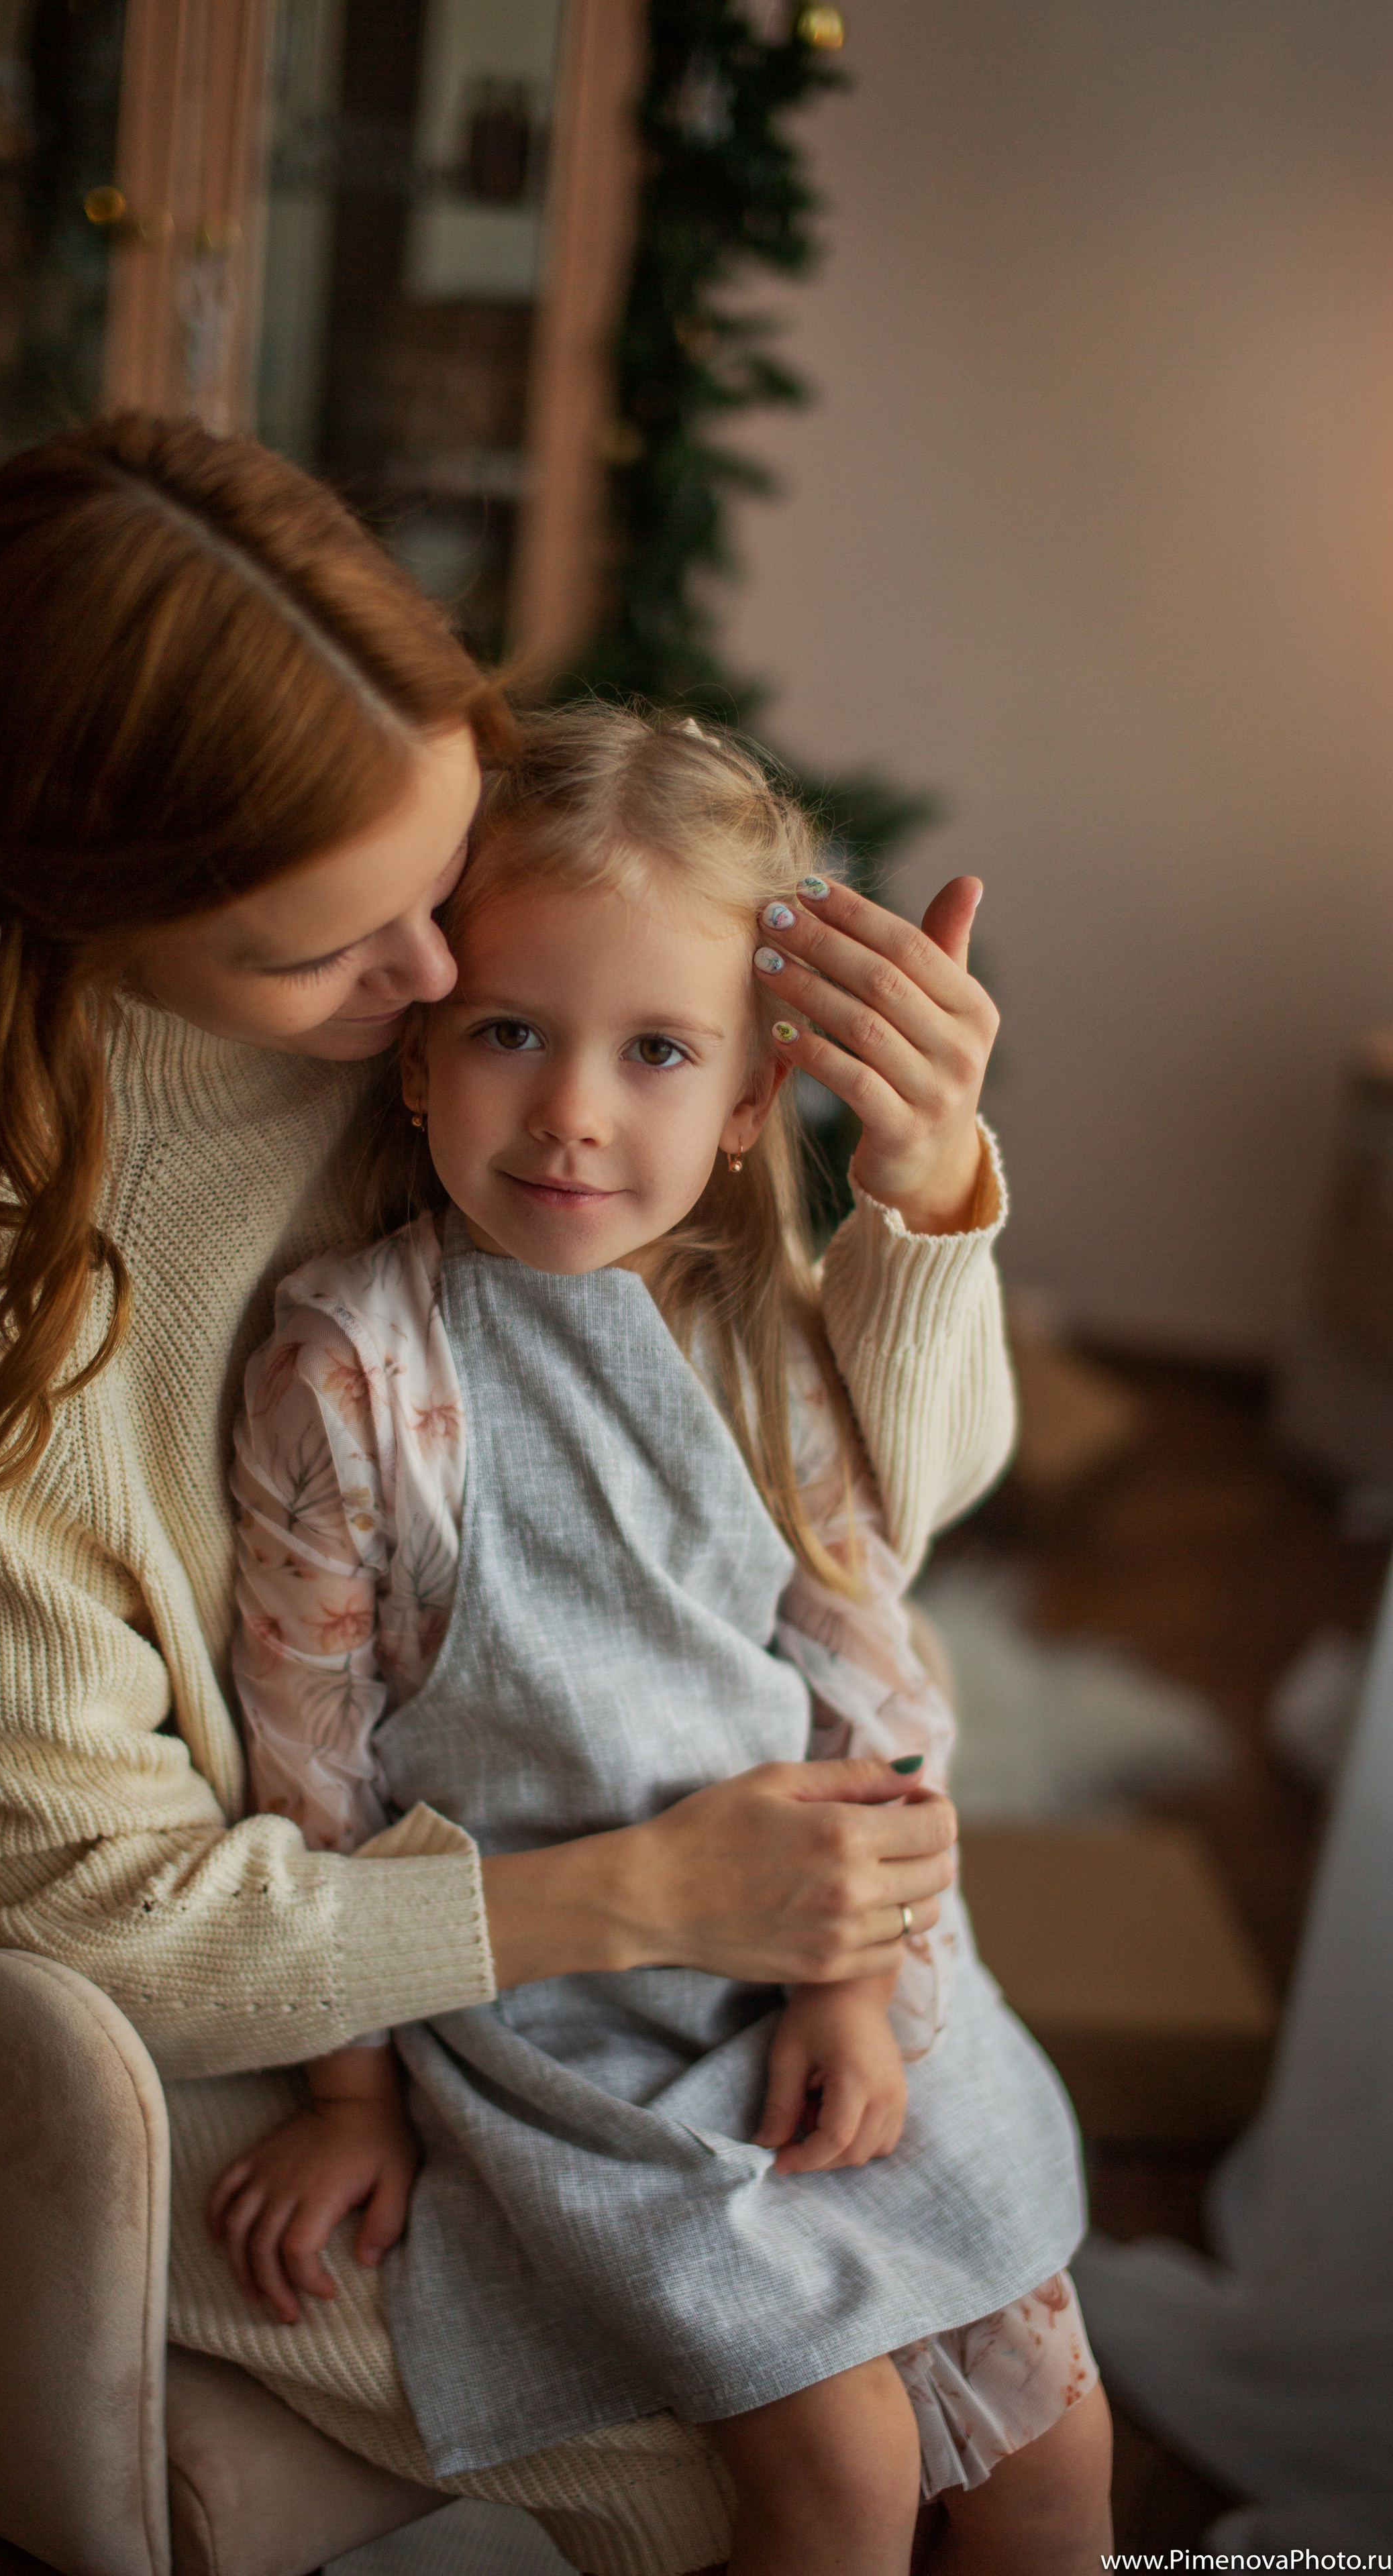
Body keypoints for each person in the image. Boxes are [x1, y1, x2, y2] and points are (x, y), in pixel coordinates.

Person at [0, 414, 1031, 2575]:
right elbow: (88, 1905)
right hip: (317, 2033)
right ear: (80, 905)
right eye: (344, 951)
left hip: (660, 1931)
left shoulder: (461, 1033)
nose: (445, 992)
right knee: (859, 2442)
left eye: (436, 892)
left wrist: (921, 1208)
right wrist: (640, 1904)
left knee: (1027, 2389)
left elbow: (868, 1515)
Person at [218, 708, 1113, 2576]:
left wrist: (849, 1984)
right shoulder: (352, 1370)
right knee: (843, 2473)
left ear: (738, 1105)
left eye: (655, 1053)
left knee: (1050, 2447)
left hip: (819, 1941)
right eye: (513, 1035)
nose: (570, 1112)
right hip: (570, 2014)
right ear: (417, 1053)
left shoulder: (763, 1340)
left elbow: (870, 1666)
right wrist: (349, 2094)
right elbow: (314, 1760)